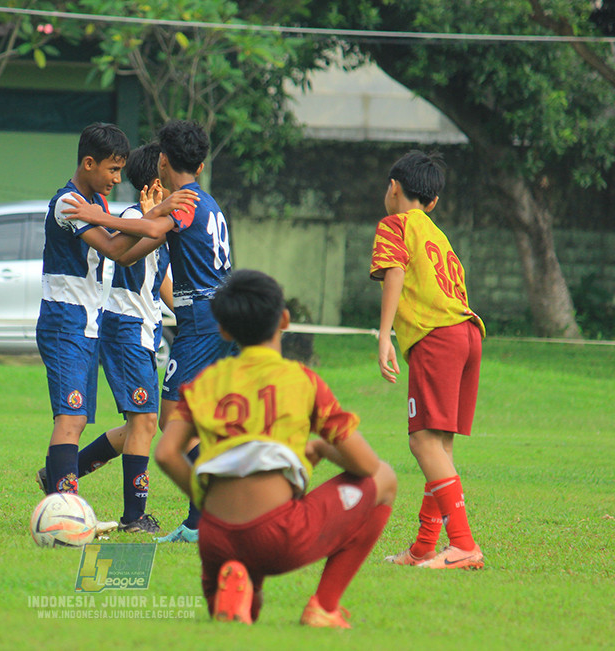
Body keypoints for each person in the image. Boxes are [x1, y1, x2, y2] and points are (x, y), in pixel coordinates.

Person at [154, 269, 397, 627]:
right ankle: (324, 606)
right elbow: (366, 465)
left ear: (224, 330)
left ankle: (239, 583)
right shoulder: (302, 381)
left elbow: (165, 453)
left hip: (216, 537)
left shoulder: (206, 382)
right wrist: (321, 449)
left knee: (248, 605)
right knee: (386, 478)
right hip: (277, 535)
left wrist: (204, 498)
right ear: (284, 320)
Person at [59, 120, 237, 543]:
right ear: (202, 164)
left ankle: (212, 509)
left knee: (173, 421)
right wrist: (140, 218)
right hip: (216, 317)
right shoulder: (202, 201)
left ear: (162, 162)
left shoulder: (185, 201)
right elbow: (129, 254)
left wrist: (96, 215)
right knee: (184, 420)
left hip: (202, 323)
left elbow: (154, 230)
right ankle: (200, 520)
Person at [36, 122, 196, 500]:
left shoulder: (98, 206)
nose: (116, 178)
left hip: (87, 323)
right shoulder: (70, 203)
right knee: (72, 418)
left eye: (121, 169)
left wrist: (153, 219)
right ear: (88, 163)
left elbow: (122, 253)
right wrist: (156, 215)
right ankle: (64, 508)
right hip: (65, 320)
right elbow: (113, 249)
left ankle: (60, 492)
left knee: (82, 419)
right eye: (112, 169)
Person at [371, 149, 486, 569]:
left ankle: (464, 544)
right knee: (439, 445)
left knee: (421, 441)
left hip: (437, 337)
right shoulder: (437, 234)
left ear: (393, 187)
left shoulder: (395, 224)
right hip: (468, 332)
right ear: (433, 201)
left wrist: (385, 334)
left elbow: (395, 272)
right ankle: (424, 545)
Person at [50, 142, 172, 534]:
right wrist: (158, 219)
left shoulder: (148, 218)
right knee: (143, 421)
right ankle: (133, 517)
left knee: (138, 426)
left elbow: (159, 281)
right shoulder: (136, 218)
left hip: (139, 328)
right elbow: (122, 254)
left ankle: (58, 473)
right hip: (124, 327)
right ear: (158, 181)